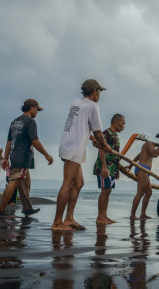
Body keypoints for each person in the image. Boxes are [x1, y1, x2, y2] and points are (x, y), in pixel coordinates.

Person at [52, 79, 112, 231]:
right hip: (74, 147)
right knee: (68, 182)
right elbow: (98, 131)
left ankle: (69, 218)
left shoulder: (76, 102)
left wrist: (92, 139)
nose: (99, 96)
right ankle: (58, 222)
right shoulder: (93, 106)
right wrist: (105, 146)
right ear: (94, 92)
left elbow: (81, 126)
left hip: (69, 144)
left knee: (79, 183)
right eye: (99, 92)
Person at [0, 99, 53, 218]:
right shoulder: (30, 121)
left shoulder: (14, 122)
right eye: (37, 109)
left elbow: (9, 142)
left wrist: (6, 158)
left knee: (25, 183)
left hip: (16, 156)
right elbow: (35, 141)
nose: (37, 112)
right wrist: (47, 155)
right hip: (22, 157)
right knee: (13, 183)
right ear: (31, 108)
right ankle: (0, 211)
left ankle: (27, 209)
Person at [126, 133, 159, 220]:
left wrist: (130, 165)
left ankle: (143, 214)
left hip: (146, 170)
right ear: (158, 139)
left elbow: (139, 156)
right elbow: (155, 154)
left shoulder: (151, 146)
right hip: (142, 169)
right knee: (140, 192)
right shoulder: (149, 143)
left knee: (149, 192)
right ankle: (132, 215)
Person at [93, 114, 125, 224]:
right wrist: (104, 167)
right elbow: (101, 149)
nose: (123, 126)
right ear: (116, 121)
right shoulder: (106, 133)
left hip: (112, 169)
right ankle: (100, 217)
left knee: (108, 190)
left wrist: (117, 170)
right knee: (104, 190)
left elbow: (115, 155)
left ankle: (104, 216)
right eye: (123, 123)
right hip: (105, 167)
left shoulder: (115, 135)